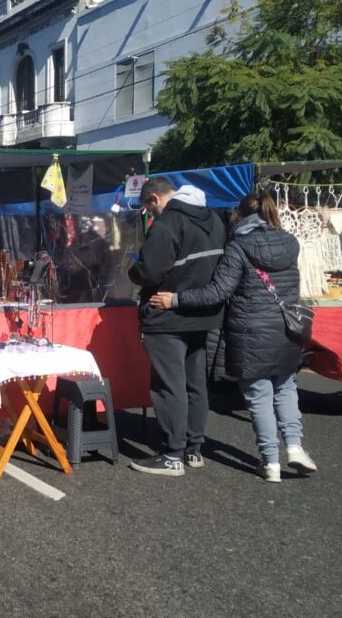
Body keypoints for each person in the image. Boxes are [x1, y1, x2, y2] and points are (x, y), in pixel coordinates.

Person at [149, 192, 317, 482]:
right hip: (285, 329)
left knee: (260, 395)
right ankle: (295, 446)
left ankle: (271, 462)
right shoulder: (290, 243)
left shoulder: (238, 247)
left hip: (249, 331)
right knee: (286, 387)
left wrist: (175, 300)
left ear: (239, 216)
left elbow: (218, 292)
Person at [127, 177, 226, 476]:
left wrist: (134, 270)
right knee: (194, 383)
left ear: (155, 199)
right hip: (201, 312)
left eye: (148, 208)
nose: (150, 214)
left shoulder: (169, 223)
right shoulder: (214, 219)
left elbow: (150, 271)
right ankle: (194, 448)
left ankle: (172, 454)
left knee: (169, 386)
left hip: (166, 315)